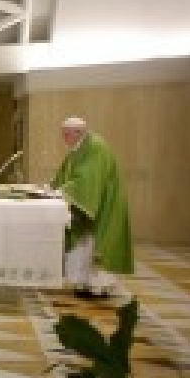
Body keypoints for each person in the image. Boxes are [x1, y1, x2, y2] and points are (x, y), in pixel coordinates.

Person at [51, 117, 133, 299]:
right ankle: (83, 282)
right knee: (83, 245)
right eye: (63, 134)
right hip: (88, 204)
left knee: (98, 245)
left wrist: (62, 191)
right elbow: (65, 173)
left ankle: (100, 286)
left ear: (79, 132)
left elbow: (87, 179)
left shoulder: (96, 147)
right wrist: (52, 187)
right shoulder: (79, 148)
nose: (64, 138)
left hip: (104, 205)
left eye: (67, 134)